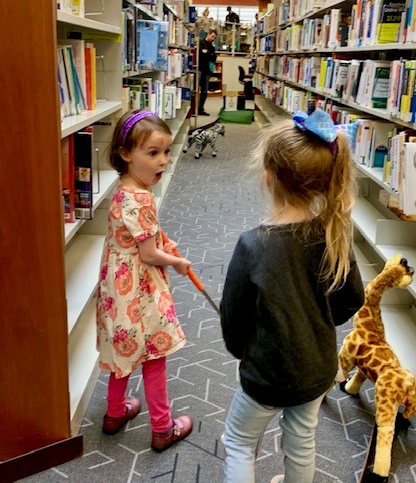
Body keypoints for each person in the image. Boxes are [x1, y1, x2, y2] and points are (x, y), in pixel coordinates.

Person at [220, 109, 365, 483]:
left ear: (268, 179)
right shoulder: (332, 235)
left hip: (267, 372)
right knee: (301, 439)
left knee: (238, 441)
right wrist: (314, 319)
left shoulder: (253, 245)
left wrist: (245, 352)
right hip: (316, 368)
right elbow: (352, 299)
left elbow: (233, 318)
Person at [97, 109, 193, 452]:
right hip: (141, 290)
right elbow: (149, 255)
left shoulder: (123, 189)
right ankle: (163, 428)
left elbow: (134, 235)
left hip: (117, 290)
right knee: (154, 357)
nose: (163, 161)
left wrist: (160, 238)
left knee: (123, 350)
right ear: (125, 153)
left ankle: (113, 413)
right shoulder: (143, 198)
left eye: (166, 152)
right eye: (152, 153)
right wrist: (178, 261)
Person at [198, 29, 217, 116]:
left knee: (204, 91)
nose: (213, 39)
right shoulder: (200, 42)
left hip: (207, 71)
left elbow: (214, 58)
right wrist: (209, 54)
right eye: (212, 36)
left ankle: (201, 109)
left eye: (214, 38)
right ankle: (193, 108)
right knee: (196, 89)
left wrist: (207, 53)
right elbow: (201, 55)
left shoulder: (212, 46)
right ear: (208, 34)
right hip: (199, 69)